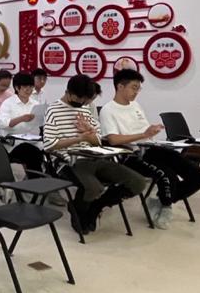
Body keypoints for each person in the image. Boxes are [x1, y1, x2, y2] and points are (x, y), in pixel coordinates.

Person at [100, 68, 200, 229]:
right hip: (132, 155)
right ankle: (166, 206)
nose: (136, 92)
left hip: (151, 147)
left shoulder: (136, 106)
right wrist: (143, 134)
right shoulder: (108, 110)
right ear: (120, 86)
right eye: (134, 88)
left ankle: (161, 199)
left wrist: (151, 131)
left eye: (139, 88)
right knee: (168, 176)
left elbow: (143, 131)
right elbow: (113, 139)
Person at [44, 74, 150, 234]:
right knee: (94, 188)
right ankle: (79, 209)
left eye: (85, 100)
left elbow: (98, 141)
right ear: (69, 92)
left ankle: (96, 207)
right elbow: (49, 145)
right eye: (79, 99)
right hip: (69, 161)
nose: (82, 103)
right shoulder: (53, 110)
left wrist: (90, 133)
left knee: (138, 182)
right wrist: (79, 138)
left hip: (95, 157)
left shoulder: (85, 108)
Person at [0, 71, 45, 173]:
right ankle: (36, 178)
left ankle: (45, 175)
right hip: (14, 142)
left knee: (49, 147)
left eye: (31, 87)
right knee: (31, 152)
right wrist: (21, 119)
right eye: (25, 87)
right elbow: (2, 123)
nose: (29, 90)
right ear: (16, 88)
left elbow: (42, 124)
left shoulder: (36, 104)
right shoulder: (8, 103)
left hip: (34, 140)